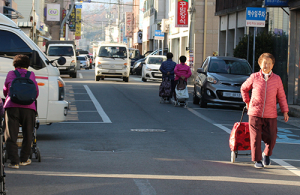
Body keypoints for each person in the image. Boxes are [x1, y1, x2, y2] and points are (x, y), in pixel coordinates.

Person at [240, 53, 289, 169]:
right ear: (260, 64)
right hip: (255, 113)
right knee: (255, 137)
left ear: (272, 65)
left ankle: (266, 154)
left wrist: (285, 111)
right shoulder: (254, 77)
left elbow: (281, 96)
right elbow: (244, 88)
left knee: (272, 137)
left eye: (269, 63)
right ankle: (257, 160)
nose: (266, 65)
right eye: (264, 63)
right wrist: (247, 102)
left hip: (271, 114)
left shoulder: (277, 79)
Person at [3, 55, 39, 169]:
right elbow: (36, 92)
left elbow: (5, 90)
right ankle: (24, 159)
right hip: (28, 108)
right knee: (28, 134)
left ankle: (14, 162)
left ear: (15, 64)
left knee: (10, 135)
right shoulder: (31, 75)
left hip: (12, 106)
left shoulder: (10, 74)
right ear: (27, 65)